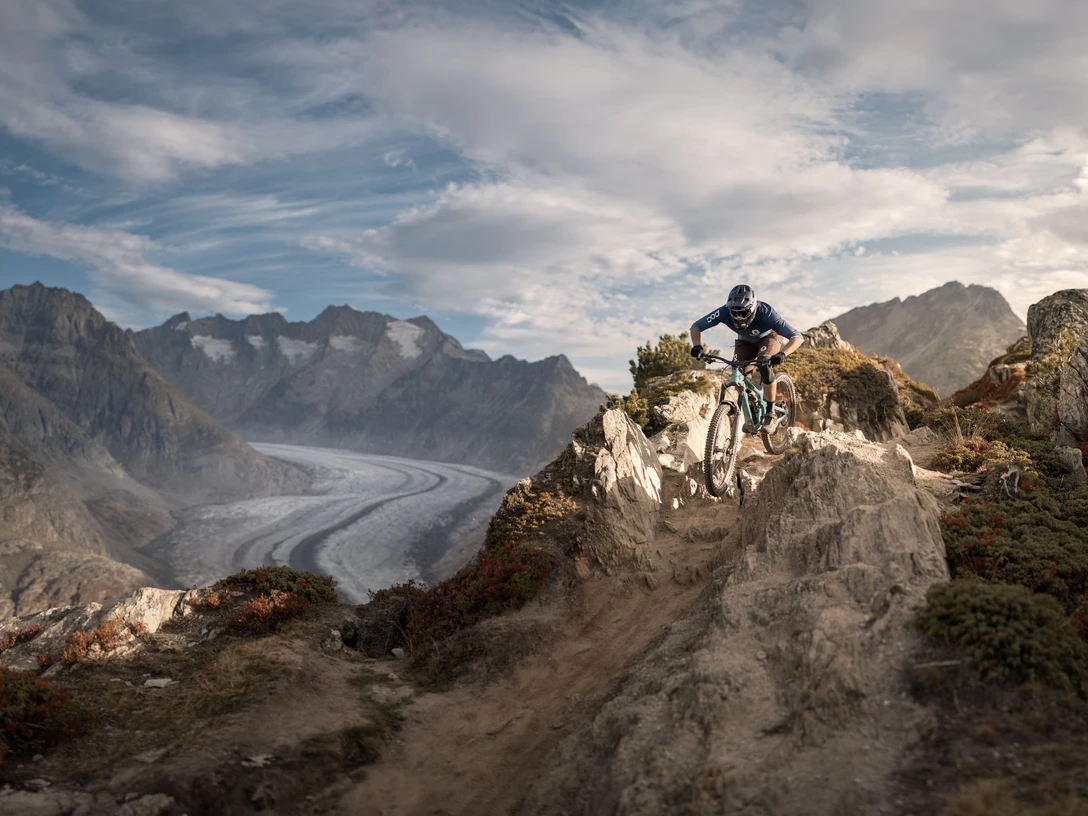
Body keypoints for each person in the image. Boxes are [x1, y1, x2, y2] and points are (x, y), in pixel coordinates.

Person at [688, 284, 804, 434]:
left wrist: (782, 354)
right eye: (734, 313)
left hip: (769, 337)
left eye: (743, 313)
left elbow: (797, 337)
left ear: (753, 307)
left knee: (764, 364)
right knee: (739, 372)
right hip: (745, 340)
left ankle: (770, 413)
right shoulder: (723, 311)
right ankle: (752, 407)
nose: (738, 318)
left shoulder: (767, 314)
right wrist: (697, 346)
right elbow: (696, 326)